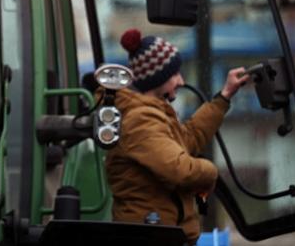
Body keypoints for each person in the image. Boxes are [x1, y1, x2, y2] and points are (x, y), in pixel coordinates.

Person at [105, 28, 250, 245]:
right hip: (151, 236)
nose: (181, 81)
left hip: (163, 233)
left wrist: (224, 97)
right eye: (174, 74)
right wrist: (211, 172)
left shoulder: (152, 113)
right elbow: (180, 170)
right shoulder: (140, 121)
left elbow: (187, 138)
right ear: (156, 78)